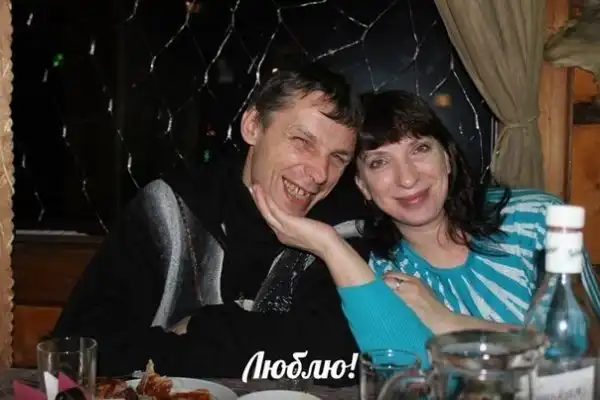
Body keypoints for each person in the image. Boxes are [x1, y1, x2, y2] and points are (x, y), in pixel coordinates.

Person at [52, 63, 369, 384]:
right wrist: (252, 348)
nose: (319, 173)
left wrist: (204, 326)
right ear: (253, 126)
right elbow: (80, 350)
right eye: (302, 141)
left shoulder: (338, 230)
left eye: (337, 158)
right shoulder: (171, 210)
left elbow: (343, 361)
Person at [249, 89, 600, 366]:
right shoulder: (379, 274)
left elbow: (585, 355)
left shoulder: (537, 220)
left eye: (420, 149)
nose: (407, 178)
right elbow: (405, 374)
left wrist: (447, 322)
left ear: (447, 157)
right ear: (362, 185)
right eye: (380, 162)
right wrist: (329, 243)